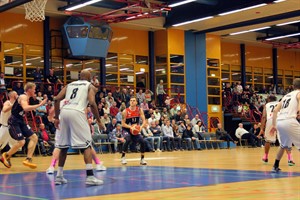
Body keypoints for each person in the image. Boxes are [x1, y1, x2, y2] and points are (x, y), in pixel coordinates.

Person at [53, 70, 105, 185]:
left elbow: (56, 99)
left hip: (65, 112)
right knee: (87, 145)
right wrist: (99, 121)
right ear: (90, 77)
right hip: (77, 112)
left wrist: (56, 117)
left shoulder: (69, 85)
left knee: (63, 146)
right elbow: (92, 103)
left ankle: (59, 176)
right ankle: (90, 176)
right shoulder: (89, 86)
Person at [1, 83, 47, 169]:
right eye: (34, 89)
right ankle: (6, 155)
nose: (35, 91)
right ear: (29, 90)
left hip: (20, 121)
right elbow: (25, 108)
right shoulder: (23, 97)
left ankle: (28, 159)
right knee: (21, 142)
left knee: (34, 137)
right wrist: (39, 105)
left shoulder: (27, 98)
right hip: (13, 121)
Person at [270, 78, 300, 173]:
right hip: (289, 121)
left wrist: (274, 125)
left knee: (283, 145)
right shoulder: (298, 93)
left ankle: (275, 166)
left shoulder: (286, 95)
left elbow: (275, 110)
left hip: (280, 121)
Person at [258, 95, 295, 165]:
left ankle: (265, 157)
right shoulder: (280, 103)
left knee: (268, 141)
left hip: (270, 120)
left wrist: (262, 129)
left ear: (269, 100)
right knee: (285, 140)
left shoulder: (267, 105)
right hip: (281, 120)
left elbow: (263, 117)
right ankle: (290, 159)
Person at [121, 96, 147, 165]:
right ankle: (123, 157)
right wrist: (130, 127)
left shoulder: (139, 110)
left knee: (142, 141)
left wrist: (141, 127)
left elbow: (144, 121)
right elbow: (122, 124)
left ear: (136, 102)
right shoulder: (125, 111)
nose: (132, 102)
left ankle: (142, 159)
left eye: (133, 100)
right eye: (131, 100)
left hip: (135, 130)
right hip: (126, 129)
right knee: (128, 139)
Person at [0, 91, 18, 158]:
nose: (17, 95)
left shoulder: (17, 105)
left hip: (12, 127)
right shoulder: (7, 102)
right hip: (5, 127)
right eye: (16, 94)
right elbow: (4, 110)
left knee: (17, 144)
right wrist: (13, 105)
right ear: (12, 95)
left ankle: (6, 157)